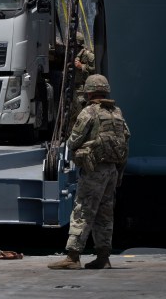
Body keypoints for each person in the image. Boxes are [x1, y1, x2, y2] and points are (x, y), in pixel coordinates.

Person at [49, 74, 130, 270]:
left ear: (90, 91)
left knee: (83, 210)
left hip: (94, 170)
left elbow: (73, 141)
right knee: (104, 213)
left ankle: (73, 256)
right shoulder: (117, 113)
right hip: (112, 170)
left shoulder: (89, 112)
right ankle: (103, 256)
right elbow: (126, 138)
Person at [68, 30, 96, 127]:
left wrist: (82, 66)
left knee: (81, 112)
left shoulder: (88, 55)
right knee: (72, 112)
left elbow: (95, 70)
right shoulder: (72, 54)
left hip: (83, 88)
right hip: (73, 87)